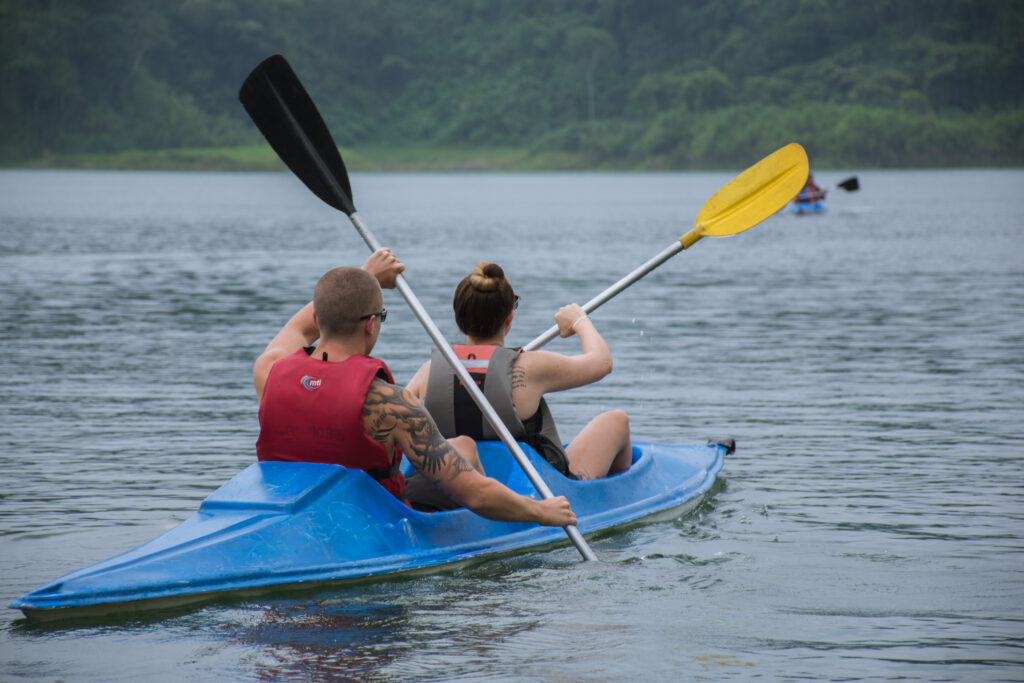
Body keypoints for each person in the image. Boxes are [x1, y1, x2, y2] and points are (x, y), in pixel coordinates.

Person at [253, 248, 576, 527]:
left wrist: (368, 277)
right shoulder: (390, 404)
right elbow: (475, 494)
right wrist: (542, 511)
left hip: (294, 512)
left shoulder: (269, 372)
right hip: (375, 522)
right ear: (371, 324)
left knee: (462, 445)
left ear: (318, 316)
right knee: (459, 461)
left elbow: (299, 325)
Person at [405, 261, 632, 510]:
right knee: (616, 420)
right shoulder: (530, 367)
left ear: (459, 319)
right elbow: (602, 363)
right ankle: (619, 499)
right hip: (539, 492)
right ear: (509, 318)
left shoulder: (428, 372)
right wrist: (580, 321)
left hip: (459, 484)